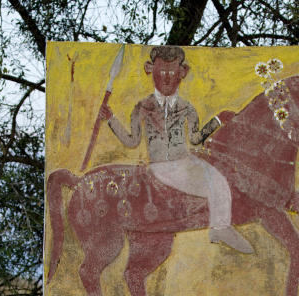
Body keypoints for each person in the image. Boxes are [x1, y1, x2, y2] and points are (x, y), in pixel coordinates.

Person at [99, 45, 253, 253]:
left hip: (186, 162)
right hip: (161, 167)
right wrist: (110, 118)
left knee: (218, 180)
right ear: (150, 70)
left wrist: (217, 120)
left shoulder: (187, 107)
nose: (167, 78)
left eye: (172, 72)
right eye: (162, 72)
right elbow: (132, 141)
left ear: (183, 72)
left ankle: (220, 228)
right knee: (210, 181)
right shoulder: (142, 107)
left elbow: (196, 138)